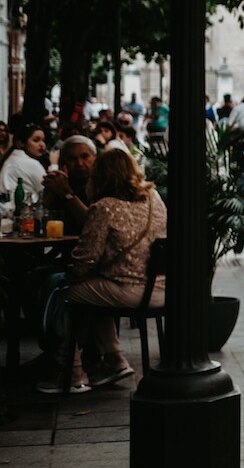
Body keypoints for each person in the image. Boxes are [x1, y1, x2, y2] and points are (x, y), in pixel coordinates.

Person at [37, 148, 167, 394]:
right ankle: (114, 359)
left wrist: (72, 272)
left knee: (67, 289)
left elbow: (85, 261)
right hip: (160, 288)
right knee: (96, 288)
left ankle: (71, 370)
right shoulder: (154, 198)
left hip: (129, 291)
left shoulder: (104, 207)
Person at [42, 135, 96, 233]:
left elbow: (93, 223)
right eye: (72, 159)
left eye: (85, 156)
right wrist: (53, 191)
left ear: (94, 158)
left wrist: (67, 193)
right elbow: (42, 220)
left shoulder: (103, 185)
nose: (79, 163)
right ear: (63, 163)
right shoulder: (58, 183)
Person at [1, 123, 48, 199]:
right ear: (21, 143)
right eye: (36, 140)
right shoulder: (30, 163)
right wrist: (54, 164)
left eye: (43, 140)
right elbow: (49, 192)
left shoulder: (12, 158)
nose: (42, 144)